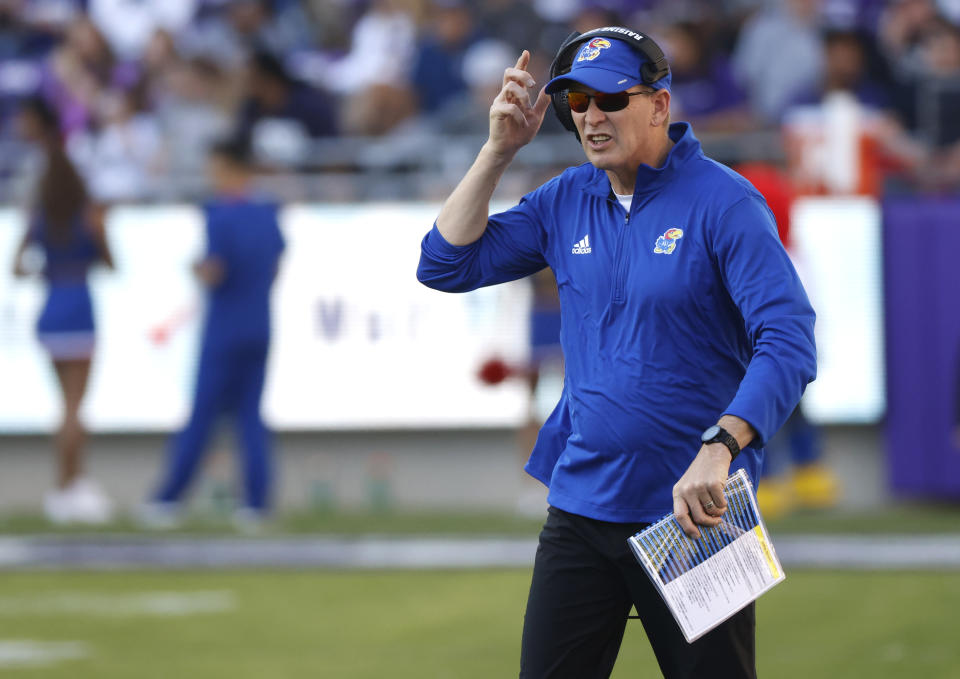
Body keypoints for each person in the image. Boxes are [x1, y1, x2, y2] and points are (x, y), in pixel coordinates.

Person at [416, 26, 817, 679]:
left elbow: (790, 338)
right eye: (577, 104)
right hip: (580, 506)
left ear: (660, 104)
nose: (592, 117)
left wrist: (721, 447)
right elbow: (443, 264)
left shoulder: (726, 201)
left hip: (697, 514)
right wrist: (497, 150)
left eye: (610, 100)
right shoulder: (565, 199)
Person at [142, 136, 285, 529]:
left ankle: (168, 498)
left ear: (228, 167)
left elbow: (214, 270)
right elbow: (275, 266)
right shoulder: (267, 211)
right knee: (250, 418)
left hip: (224, 328)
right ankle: (257, 504)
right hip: (259, 323)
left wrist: (195, 269)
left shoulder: (220, 215)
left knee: (202, 416)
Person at [11, 96, 115, 525]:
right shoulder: (88, 215)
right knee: (75, 406)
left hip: (50, 304)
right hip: (79, 303)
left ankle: (68, 486)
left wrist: (46, 268)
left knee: (63, 404)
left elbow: (17, 267)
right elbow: (111, 262)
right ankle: (70, 486)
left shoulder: (39, 215)